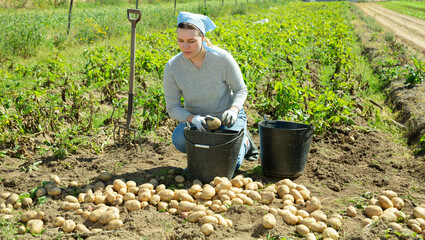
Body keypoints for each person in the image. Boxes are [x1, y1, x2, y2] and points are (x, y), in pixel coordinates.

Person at [162, 11, 258, 171]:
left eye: (191, 41)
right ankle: (205, 152)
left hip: (227, 119)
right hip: (197, 121)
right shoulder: (173, 67)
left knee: (231, 165)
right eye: (181, 40)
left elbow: (241, 89)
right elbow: (172, 108)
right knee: (179, 140)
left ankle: (245, 141)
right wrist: (194, 119)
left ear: (203, 38)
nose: (185, 46)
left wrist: (234, 110)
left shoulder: (222, 59)